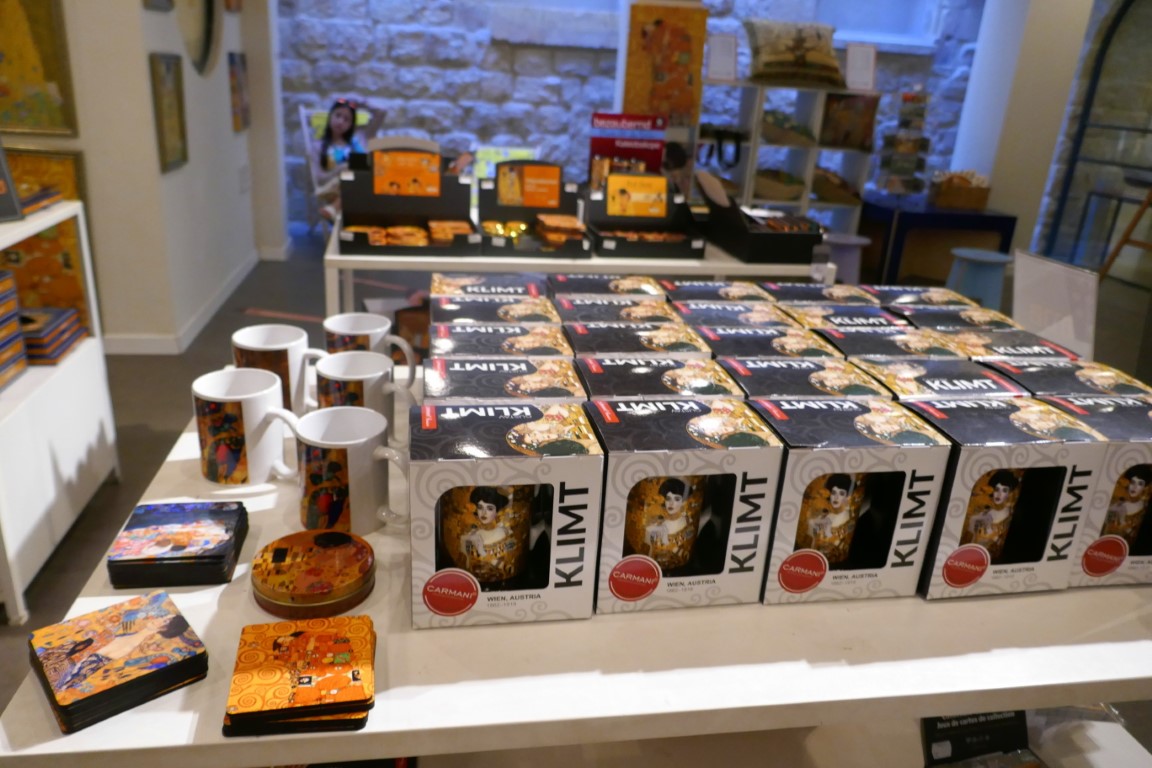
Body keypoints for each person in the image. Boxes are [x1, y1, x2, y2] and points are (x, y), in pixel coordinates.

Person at [312, 98, 386, 221]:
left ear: (351, 124)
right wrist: (339, 169)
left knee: (366, 165)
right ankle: (336, 206)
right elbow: (319, 177)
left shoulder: (360, 137)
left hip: (362, 190)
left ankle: (335, 207)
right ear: (330, 116)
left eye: (346, 119)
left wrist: (361, 103)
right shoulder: (318, 146)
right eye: (338, 115)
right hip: (334, 189)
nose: (340, 121)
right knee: (354, 168)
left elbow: (382, 112)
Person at [962, 469, 1018, 561]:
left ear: (1009, 493)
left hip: (984, 556)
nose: (999, 494)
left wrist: (994, 537)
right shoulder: (988, 509)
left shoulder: (1006, 513)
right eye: (997, 489)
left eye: (1004, 490)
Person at [806, 474, 857, 566]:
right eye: (834, 492)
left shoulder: (850, 517)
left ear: (847, 497)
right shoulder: (823, 516)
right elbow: (814, 543)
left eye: (841, 493)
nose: (836, 497)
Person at [1104, 465, 1151, 545]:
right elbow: (1106, 527)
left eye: (1140, 484)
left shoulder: (1144, 507)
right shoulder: (1116, 503)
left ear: (1145, 487)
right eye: (1132, 482)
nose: (1134, 487)